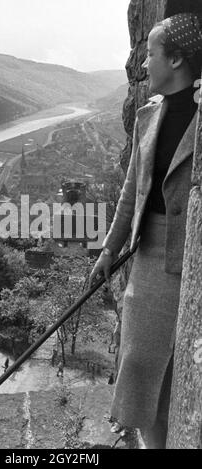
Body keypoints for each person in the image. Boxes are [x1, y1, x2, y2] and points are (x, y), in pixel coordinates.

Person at [89, 13, 202, 449]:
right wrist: (107, 250)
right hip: (150, 256)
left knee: (181, 375)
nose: (143, 65)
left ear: (175, 59)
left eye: (150, 54)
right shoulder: (147, 115)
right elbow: (131, 192)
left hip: (192, 260)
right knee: (140, 369)